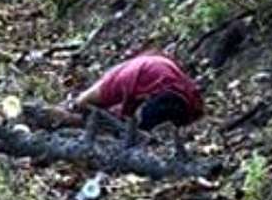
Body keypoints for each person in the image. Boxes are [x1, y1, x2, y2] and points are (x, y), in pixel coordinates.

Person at [52, 52, 204, 155]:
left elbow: (85, 101)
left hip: (166, 98)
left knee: (137, 136)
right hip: (187, 101)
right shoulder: (138, 69)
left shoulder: (115, 81)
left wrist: (73, 108)